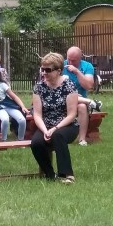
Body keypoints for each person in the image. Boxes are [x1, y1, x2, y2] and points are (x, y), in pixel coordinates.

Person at [30, 53, 79, 183]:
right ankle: (50, 174)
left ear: (58, 71)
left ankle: (66, 174)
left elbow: (72, 114)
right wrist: (45, 130)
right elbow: (37, 114)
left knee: (58, 135)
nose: (44, 73)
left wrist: (55, 128)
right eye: (42, 69)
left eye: (48, 70)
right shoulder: (39, 87)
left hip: (67, 125)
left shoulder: (69, 85)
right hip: (46, 125)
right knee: (36, 143)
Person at [63, 46, 100, 145]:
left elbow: (88, 86)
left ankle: (82, 139)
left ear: (80, 58)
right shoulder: (61, 65)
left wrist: (77, 72)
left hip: (78, 102)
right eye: (68, 59)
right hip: (63, 100)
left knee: (82, 107)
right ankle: (90, 102)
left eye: (73, 60)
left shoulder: (87, 66)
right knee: (73, 97)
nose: (70, 63)